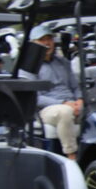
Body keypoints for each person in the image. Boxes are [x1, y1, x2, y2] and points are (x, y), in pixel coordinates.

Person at [20, 25, 83, 160]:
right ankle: (71, 156)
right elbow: (35, 97)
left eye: (49, 39)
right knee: (65, 112)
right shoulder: (28, 67)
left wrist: (80, 100)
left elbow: (75, 87)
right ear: (33, 44)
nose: (47, 43)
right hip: (46, 109)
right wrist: (64, 103)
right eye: (42, 40)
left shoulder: (63, 62)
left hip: (71, 103)